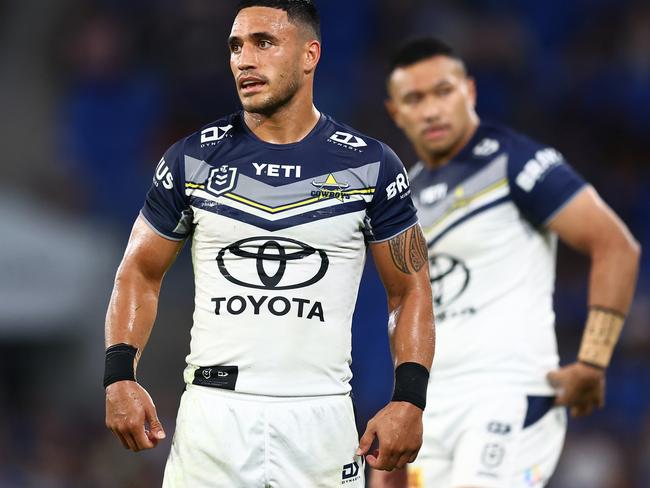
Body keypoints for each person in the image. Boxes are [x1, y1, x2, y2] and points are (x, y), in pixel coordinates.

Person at [103, 2, 435, 487]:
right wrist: (119, 376)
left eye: (264, 43)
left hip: (319, 418)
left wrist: (409, 398)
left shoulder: (372, 166)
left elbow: (410, 290)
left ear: (309, 54)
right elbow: (139, 272)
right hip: (213, 417)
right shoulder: (191, 159)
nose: (244, 59)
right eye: (236, 46)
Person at [371, 37, 641, 488]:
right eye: (415, 99)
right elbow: (404, 308)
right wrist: (402, 406)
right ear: (396, 112)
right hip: (433, 406)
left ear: (470, 92)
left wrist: (592, 360)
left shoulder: (514, 160)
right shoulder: (405, 195)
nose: (432, 110)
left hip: (507, 394)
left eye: (444, 91)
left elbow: (614, 244)